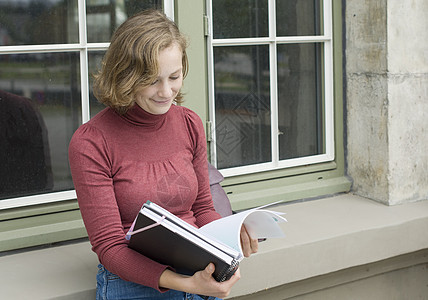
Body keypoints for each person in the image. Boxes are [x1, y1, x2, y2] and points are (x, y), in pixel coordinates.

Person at [68, 10, 258, 300]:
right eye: (153, 80)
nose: (166, 92)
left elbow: (203, 208)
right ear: (125, 76)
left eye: (174, 76)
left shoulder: (189, 123)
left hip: (199, 275)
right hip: (132, 286)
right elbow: (110, 247)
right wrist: (187, 285)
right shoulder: (91, 142)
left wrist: (229, 237)